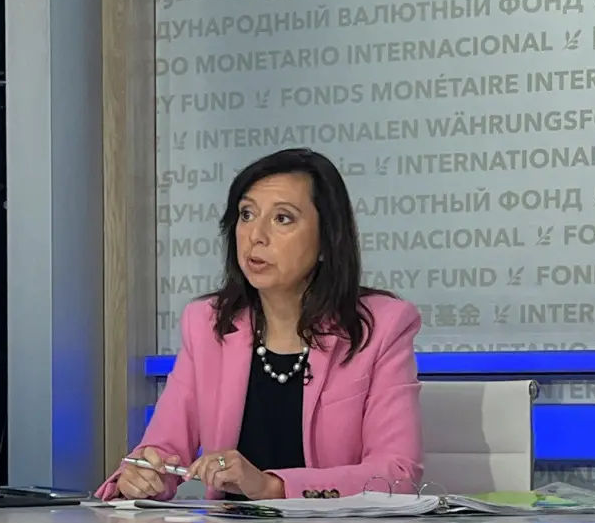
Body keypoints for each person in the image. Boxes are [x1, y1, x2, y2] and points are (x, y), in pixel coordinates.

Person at [96, 147, 424, 501]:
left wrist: (272, 487)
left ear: (328, 240)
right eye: (247, 214)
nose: (256, 235)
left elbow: (397, 474)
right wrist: (141, 477)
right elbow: (161, 449)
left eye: (283, 218)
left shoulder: (380, 328)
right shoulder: (208, 324)